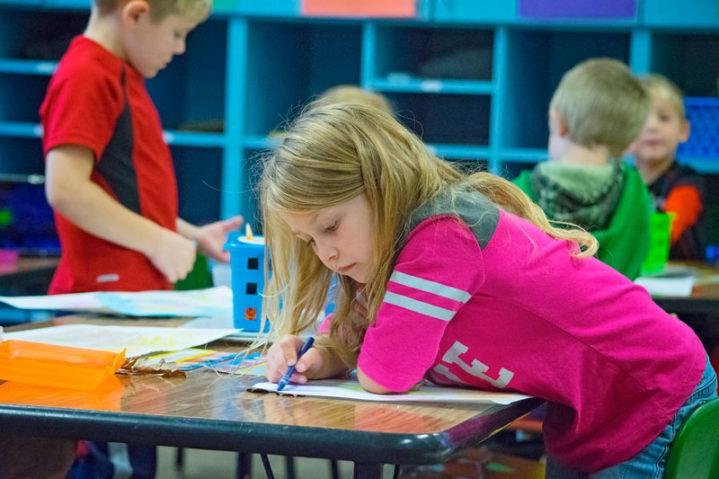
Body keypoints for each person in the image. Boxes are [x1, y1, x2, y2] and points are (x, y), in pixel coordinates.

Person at [260, 101, 716, 478]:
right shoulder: (392, 251)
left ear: (382, 184)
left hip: (650, 396)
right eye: (309, 241)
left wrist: (354, 352)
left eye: (331, 227)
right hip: (598, 411)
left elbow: (386, 373)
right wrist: (324, 355)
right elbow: (361, 337)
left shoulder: (441, 236)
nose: (327, 255)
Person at [10, 0, 241, 477]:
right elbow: (66, 188)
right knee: (112, 460)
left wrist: (189, 236)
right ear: (135, 14)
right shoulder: (87, 74)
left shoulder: (119, 71)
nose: (179, 49)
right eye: (177, 34)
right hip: (103, 310)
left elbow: (122, 196)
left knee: (132, 452)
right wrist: (157, 242)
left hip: (130, 305)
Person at [513, 58, 652, 280]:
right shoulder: (634, 191)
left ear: (558, 123)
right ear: (627, 144)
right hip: (612, 313)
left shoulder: (517, 194)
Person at [633, 74, 706, 260]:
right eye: (641, 119)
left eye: (664, 118)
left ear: (683, 131)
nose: (651, 127)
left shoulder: (688, 183)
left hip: (684, 283)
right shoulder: (621, 181)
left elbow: (665, 233)